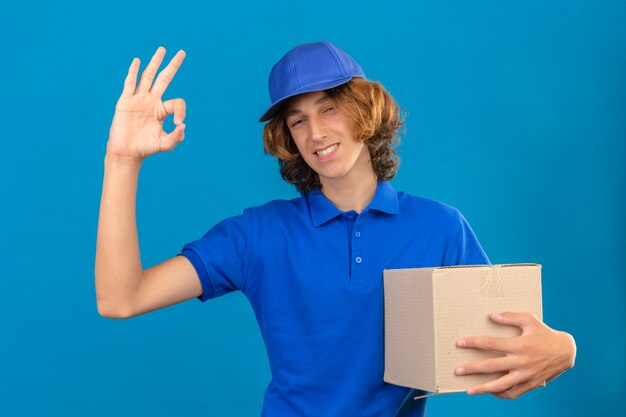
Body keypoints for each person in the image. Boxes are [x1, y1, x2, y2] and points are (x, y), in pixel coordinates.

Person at [96, 41, 576, 417]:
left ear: (363, 108)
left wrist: (564, 348)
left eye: (329, 108)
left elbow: (505, 361)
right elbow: (121, 298)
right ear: (287, 137)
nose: (316, 133)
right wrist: (121, 159)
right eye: (298, 120)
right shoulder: (260, 234)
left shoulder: (439, 227)